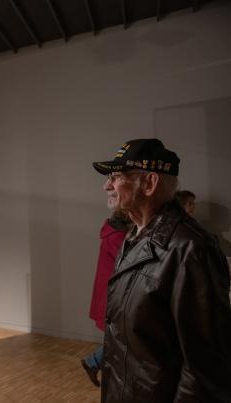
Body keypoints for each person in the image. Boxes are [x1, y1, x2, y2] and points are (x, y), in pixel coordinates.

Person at [92, 138, 231, 402]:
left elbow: (205, 367)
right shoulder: (134, 236)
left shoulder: (190, 249)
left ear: (149, 183)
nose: (107, 185)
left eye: (116, 176)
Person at [81, 210, 130, 387]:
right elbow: (127, 262)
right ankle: (93, 362)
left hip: (114, 291)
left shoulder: (115, 235)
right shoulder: (116, 238)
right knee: (120, 337)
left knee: (120, 337)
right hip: (114, 292)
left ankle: (93, 362)